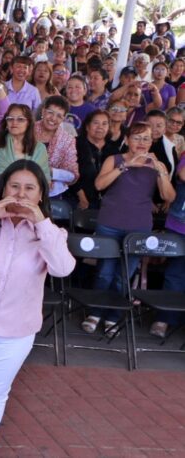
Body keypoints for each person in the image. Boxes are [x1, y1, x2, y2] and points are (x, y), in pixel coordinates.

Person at [0, 160, 75, 458]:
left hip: (16, 330)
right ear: (2, 188)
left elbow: (62, 268)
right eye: (14, 186)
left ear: (41, 194)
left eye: (29, 188)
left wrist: (41, 223)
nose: (20, 194)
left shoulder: (52, 233)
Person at [82, 122, 175, 336]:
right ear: (127, 140)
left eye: (146, 138)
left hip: (138, 227)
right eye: (137, 137)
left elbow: (168, 196)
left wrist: (161, 172)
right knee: (104, 273)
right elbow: (99, 185)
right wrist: (126, 165)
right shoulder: (114, 159)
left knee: (124, 275)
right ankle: (95, 313)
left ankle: (113, 316)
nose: (141, 142)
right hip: (109, 223)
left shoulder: (156, 165)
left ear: (152, 141)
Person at [0, 104, 51, 206]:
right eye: (10, 119)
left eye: (20, 119)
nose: (14, 122)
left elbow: (45, 183)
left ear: (29, 123)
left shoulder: (39, 149)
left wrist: (32, 209)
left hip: (30, 206)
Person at [35, 95, 79, 196]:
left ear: (63, 118)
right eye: (50, 112)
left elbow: (72, 175)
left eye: (59, 116)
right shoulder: (28, 130)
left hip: (52, 193)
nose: (53, 118)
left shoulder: (68, 140)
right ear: (43, 111)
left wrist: (51, 172)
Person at [69, 110, 109, 210]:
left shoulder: (113, 149)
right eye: (96, 123)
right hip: (77, 200)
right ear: (87, 126)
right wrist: (81, 197)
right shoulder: (74, 144)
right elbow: (69, 172)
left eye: (104, 124)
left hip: (107, 203)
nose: (100, 127)